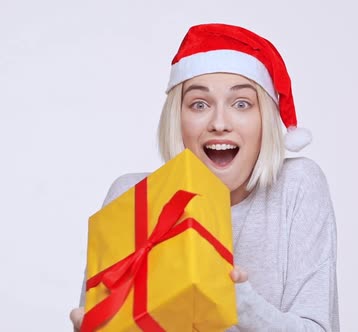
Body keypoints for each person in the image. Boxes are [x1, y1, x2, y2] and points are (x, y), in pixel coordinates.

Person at [70, 23, 339, 331]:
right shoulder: (133, 195)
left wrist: (238, 302)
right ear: (178, 119)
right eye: (199, 104)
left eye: (241, 104)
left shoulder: (297, 186)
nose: (220, 123)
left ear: (264, 119)